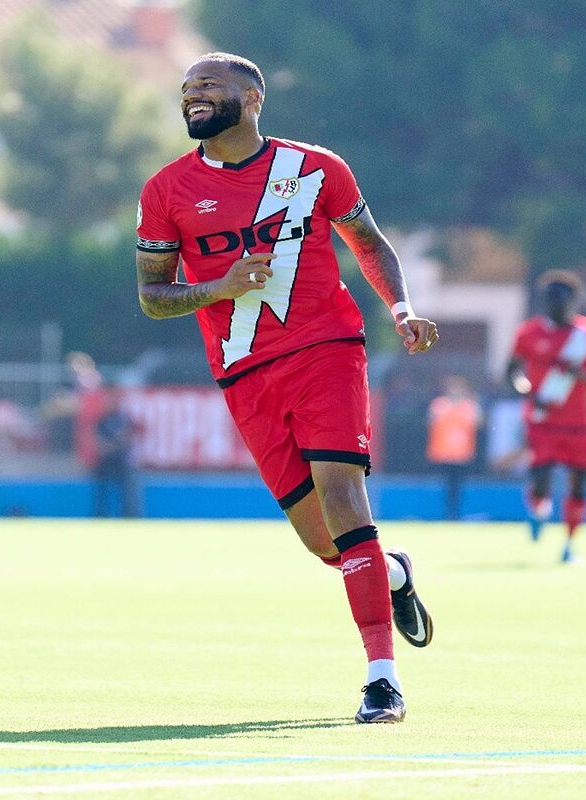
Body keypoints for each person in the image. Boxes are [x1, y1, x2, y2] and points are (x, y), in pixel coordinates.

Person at [135, 53, 439, 723]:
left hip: (326, 347)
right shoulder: (165, 190)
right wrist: (219, 287)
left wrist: (399, 308)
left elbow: (369, 243)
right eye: (187, 89)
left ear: (251, 98)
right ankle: (391, 574)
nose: (192, 96)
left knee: (342, 494)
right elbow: (153, 297)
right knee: (321, 540)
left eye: (208, 85)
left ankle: (381, 680)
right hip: (243, 371)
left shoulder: (315, 169)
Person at [506, 270, 586, 563]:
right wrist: (526, 390)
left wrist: (582, 375)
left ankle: (569, 546)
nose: (555, 304)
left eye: (561, 299)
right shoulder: (528, 333)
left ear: (573, 300)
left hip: (579, 423)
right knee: (541, 479)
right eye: (550, 299)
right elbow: (511, 372)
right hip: (542, 419)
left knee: (579, 484)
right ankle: (539, 511)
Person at [426, 375, 482, 520]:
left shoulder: (469, 406)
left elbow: (479, 422)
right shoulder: (439, 405)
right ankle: (446, 513)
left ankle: (455, 513)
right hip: (443, 452)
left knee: (458, 485)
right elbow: (431, 421)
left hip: (462, 453)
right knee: (445, 484)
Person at [91, 394, 139, 517]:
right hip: (105, 462)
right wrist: (116, 444)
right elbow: (100, 445)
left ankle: (129, 517)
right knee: (101, 492)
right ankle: (100, 516)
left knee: (128, 491)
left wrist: (114, 445)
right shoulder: (102, 421)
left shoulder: (124, 420)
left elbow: (129, 441)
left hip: (120, 462)